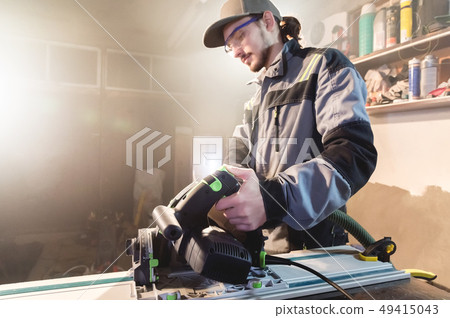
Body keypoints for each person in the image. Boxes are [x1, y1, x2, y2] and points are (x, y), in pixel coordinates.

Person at [203, 0, 377, 254]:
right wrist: (224, 187)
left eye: (240, 36)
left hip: (317, 247)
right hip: (266, 245)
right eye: (230, 46)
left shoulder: (324, 65)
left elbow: (354, 153)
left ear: (268, 21)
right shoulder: (256, 98)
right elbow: (238, 151)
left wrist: (275, 198)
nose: (237, 51)